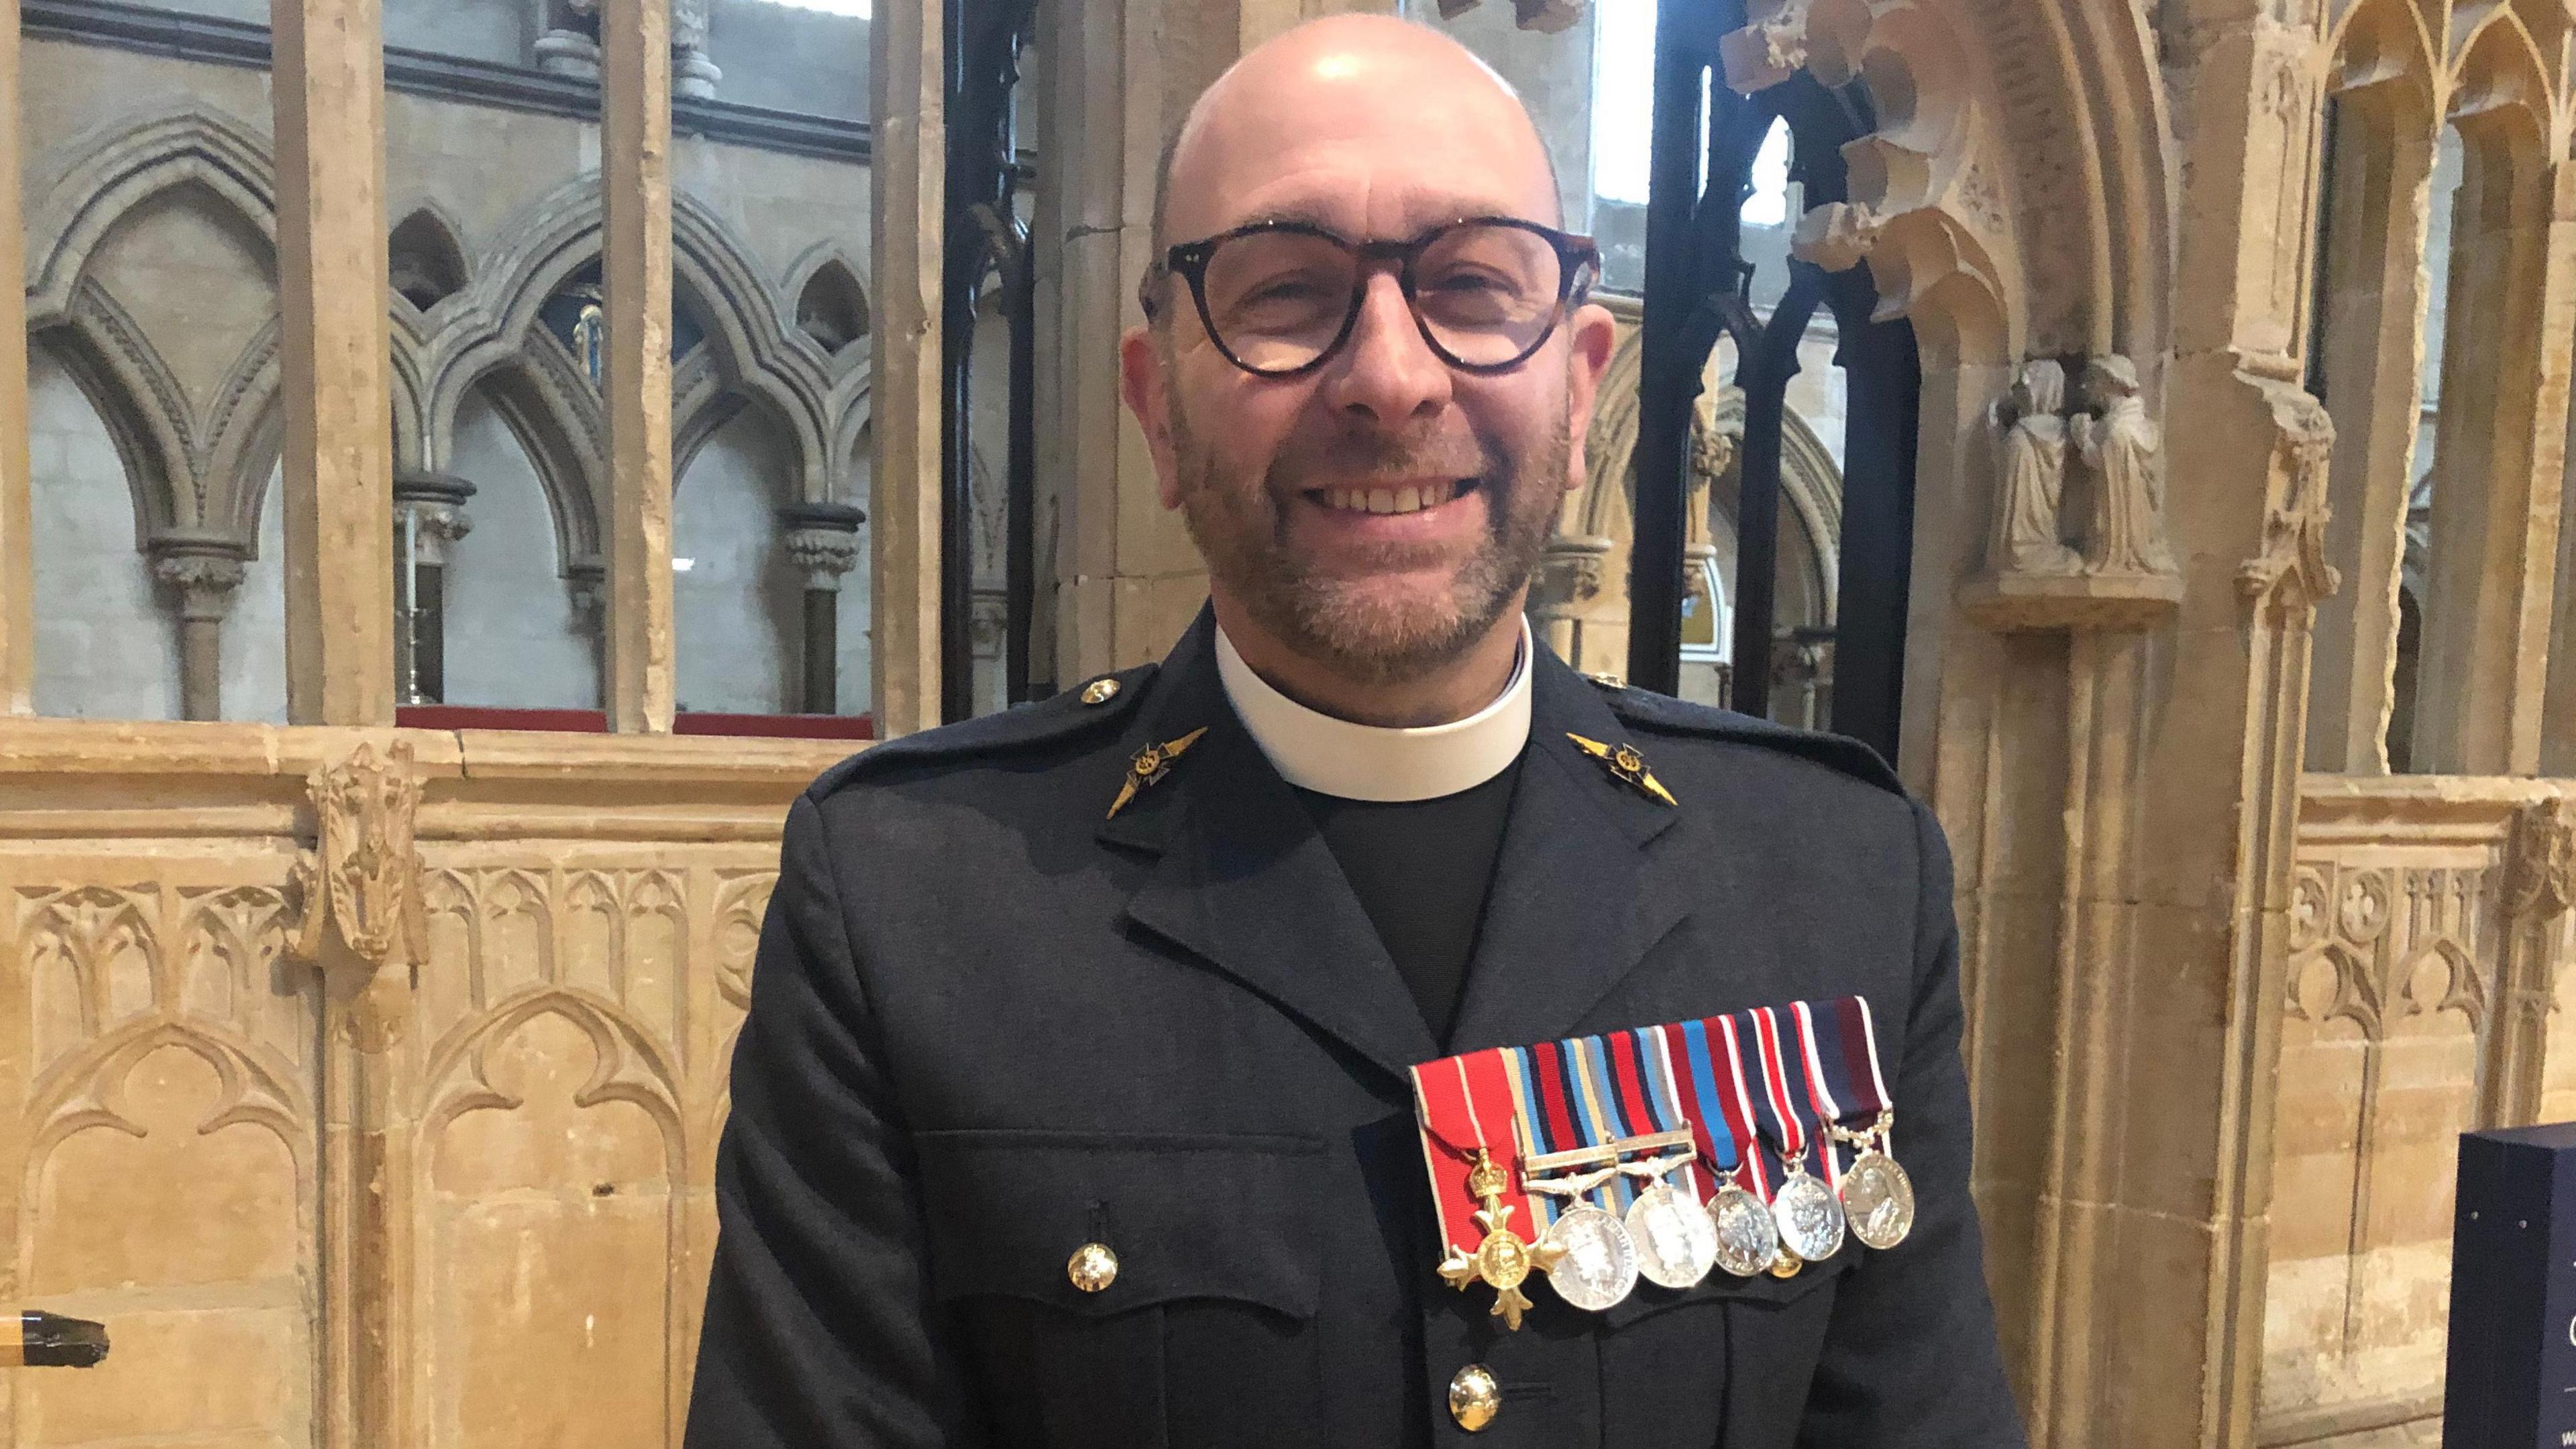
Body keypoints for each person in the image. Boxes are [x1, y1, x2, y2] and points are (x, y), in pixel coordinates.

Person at [683, 15, 2023, 1447]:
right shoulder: (912, 906)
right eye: (1283, 291)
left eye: (1469, 281)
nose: (1391, 376)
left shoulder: (1838, 878)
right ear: (1155, 404)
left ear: (1580, 385)